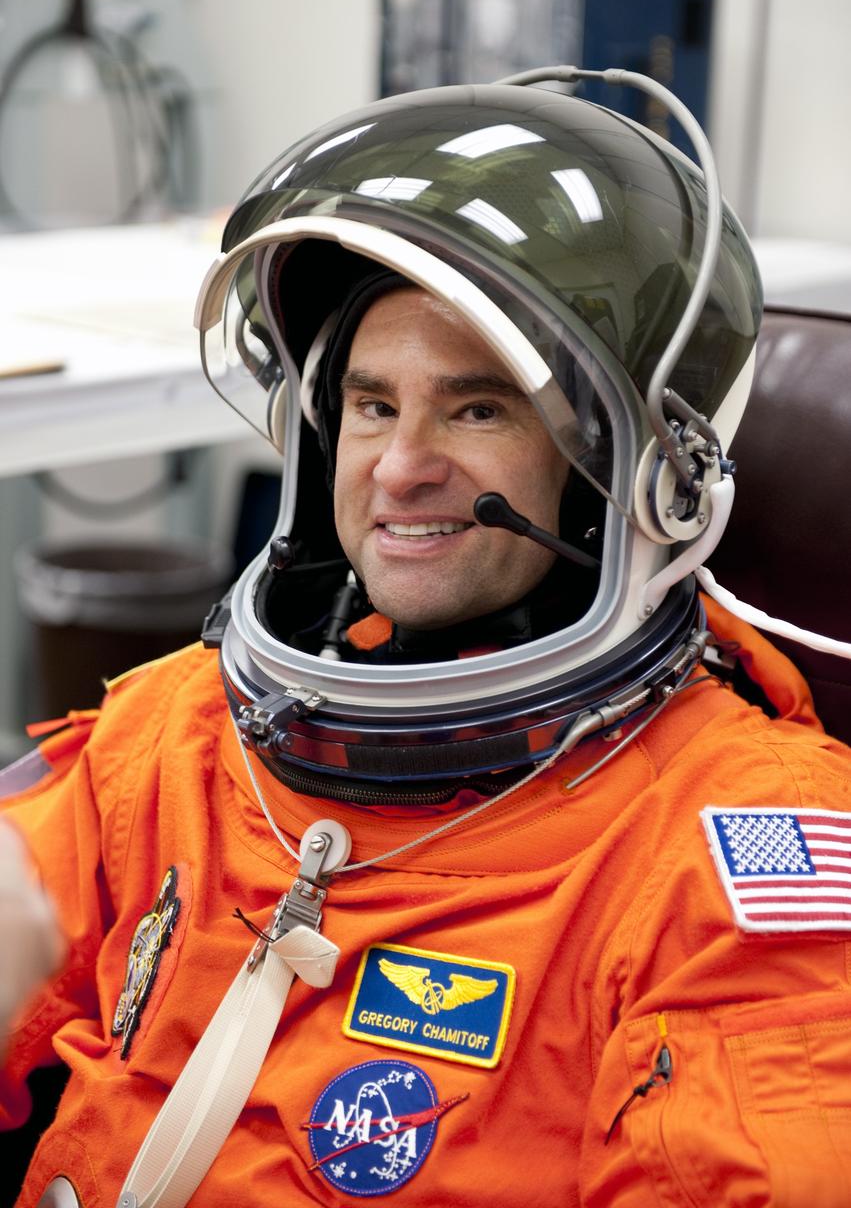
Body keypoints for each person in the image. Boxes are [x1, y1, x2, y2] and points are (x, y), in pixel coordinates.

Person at [2, 69, 851, 1208]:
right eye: (369, 404)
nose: (400, 466)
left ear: (624, 479)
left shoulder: (735, 853)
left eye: (476, 407)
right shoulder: (176, 730)